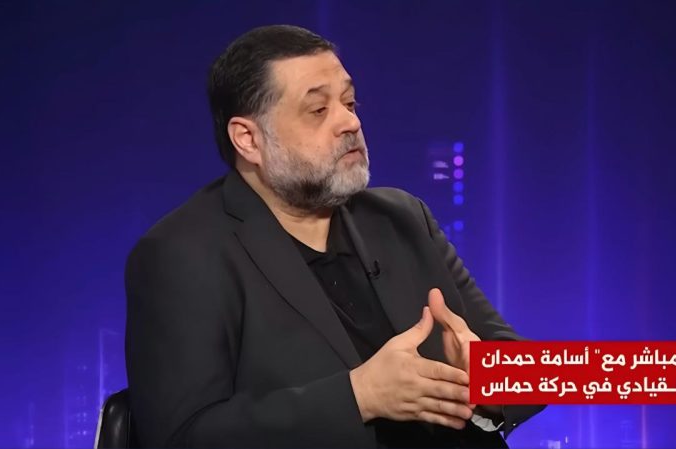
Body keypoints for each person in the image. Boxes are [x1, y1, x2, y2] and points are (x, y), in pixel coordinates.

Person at [124, 24, 544, 448]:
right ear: (248, 139)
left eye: (349, 102)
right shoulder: (181, 254)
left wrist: (487, 379)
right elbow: (182, 437)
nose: (350, 122)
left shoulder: (402, 217)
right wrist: (360, 397)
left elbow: (541, 376)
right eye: (318, 110)